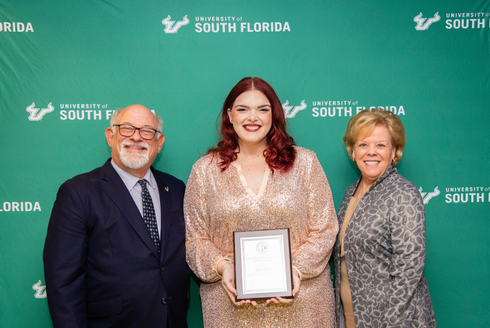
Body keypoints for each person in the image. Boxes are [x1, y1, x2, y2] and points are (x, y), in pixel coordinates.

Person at [184, 77, 338, 327]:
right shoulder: (204, 171)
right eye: (243, 109)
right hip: (229, 307)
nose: (252, 117)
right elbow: (195, 241)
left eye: (262, 109)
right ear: (230, 115)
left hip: (303, 306)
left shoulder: (305, 163)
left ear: (274, 115)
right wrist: (223, 268)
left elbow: (325, 229)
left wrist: (295, 270)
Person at [43, 105, 189, 328]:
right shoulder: (78, 193)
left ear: (159, 143)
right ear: (110, 136)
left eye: (147, 131)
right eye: (127, 128)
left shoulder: (176, 189)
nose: (136, 137)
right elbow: (63, 281)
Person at [334, 108, 436, 327]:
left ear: (394, 152)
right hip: (353, 317)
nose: (371, 152)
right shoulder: (351, 191)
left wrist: (388, 322)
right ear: (352, 151)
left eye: (381, 145)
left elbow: (409, 270)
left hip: (392, 320)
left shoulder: (403, 193)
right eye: (363, 145)